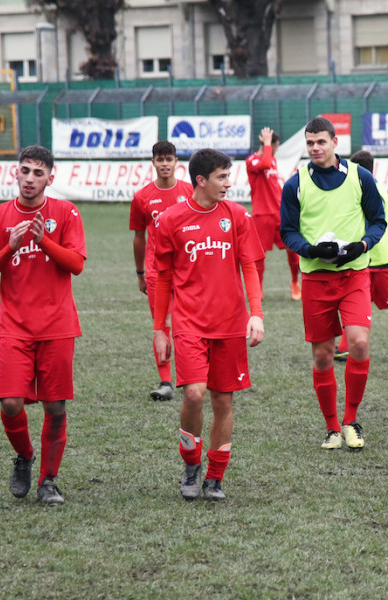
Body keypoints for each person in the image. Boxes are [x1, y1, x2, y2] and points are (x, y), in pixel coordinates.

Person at [0, 145, 87, 505]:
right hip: (14, 327)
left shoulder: (66, 212)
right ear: (16, 172)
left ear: (50, 178)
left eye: (38, 173)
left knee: (55, 408)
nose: (30, 178)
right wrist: (11, 247)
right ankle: (24, 456)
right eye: (25, 170)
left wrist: (43, 241)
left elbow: (76, 264)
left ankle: (48, 481)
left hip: (57, 326)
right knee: (10, 403)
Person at [153, 148, 265, 501]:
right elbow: (163, 277)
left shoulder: (236, 216)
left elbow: (250, 266)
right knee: (194, 393)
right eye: (221, 177)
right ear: (200, 180)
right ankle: (191, 464)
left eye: (229, 176)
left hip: (230, 324)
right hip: (188, 323)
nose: (228, 184)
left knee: (223, 401)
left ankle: (215, 476)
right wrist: (160, 327)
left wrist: (256, 312)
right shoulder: (171, 220)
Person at [280, 117, 387, 451]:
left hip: (354, 274)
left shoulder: (360, 177)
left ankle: (351, 420)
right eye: (310, 143)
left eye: (321, 142)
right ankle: (331, 428)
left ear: (334, 142)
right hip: (315, 278)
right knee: (324, 356)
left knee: (358, 343)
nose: (315, 148)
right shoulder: (295, 183)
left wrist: (363, 245)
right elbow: (288, 232)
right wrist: (310, 250)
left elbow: (378, 221)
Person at [335, 150, 388, 364]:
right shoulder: (374, 184)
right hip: (371, 257)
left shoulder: (366, 188)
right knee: (353, 301)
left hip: (380, 258)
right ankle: (345, 347)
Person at [129, 141, 194, 401]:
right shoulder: (142, 197)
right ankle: (166, 381)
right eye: (160, 159)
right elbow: (138, 237)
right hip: (157, 272)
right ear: (153, 163)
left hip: (188, 271)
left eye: (169, 159)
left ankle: (193, 376)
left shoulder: (190, 191)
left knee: (190, 324)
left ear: (177, 162)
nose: (165, 164)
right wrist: (140, 273)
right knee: (161, 325)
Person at [246, 126, 302, 300]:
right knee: (259, 255)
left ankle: (295, 282)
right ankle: (258, 289)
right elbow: (264, 163)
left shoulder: (274, 161)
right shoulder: (252, 160)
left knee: (292, 249)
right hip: (262, 215)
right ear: (273, 145)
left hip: (279, 213)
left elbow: (273, 181)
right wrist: (268, 144)